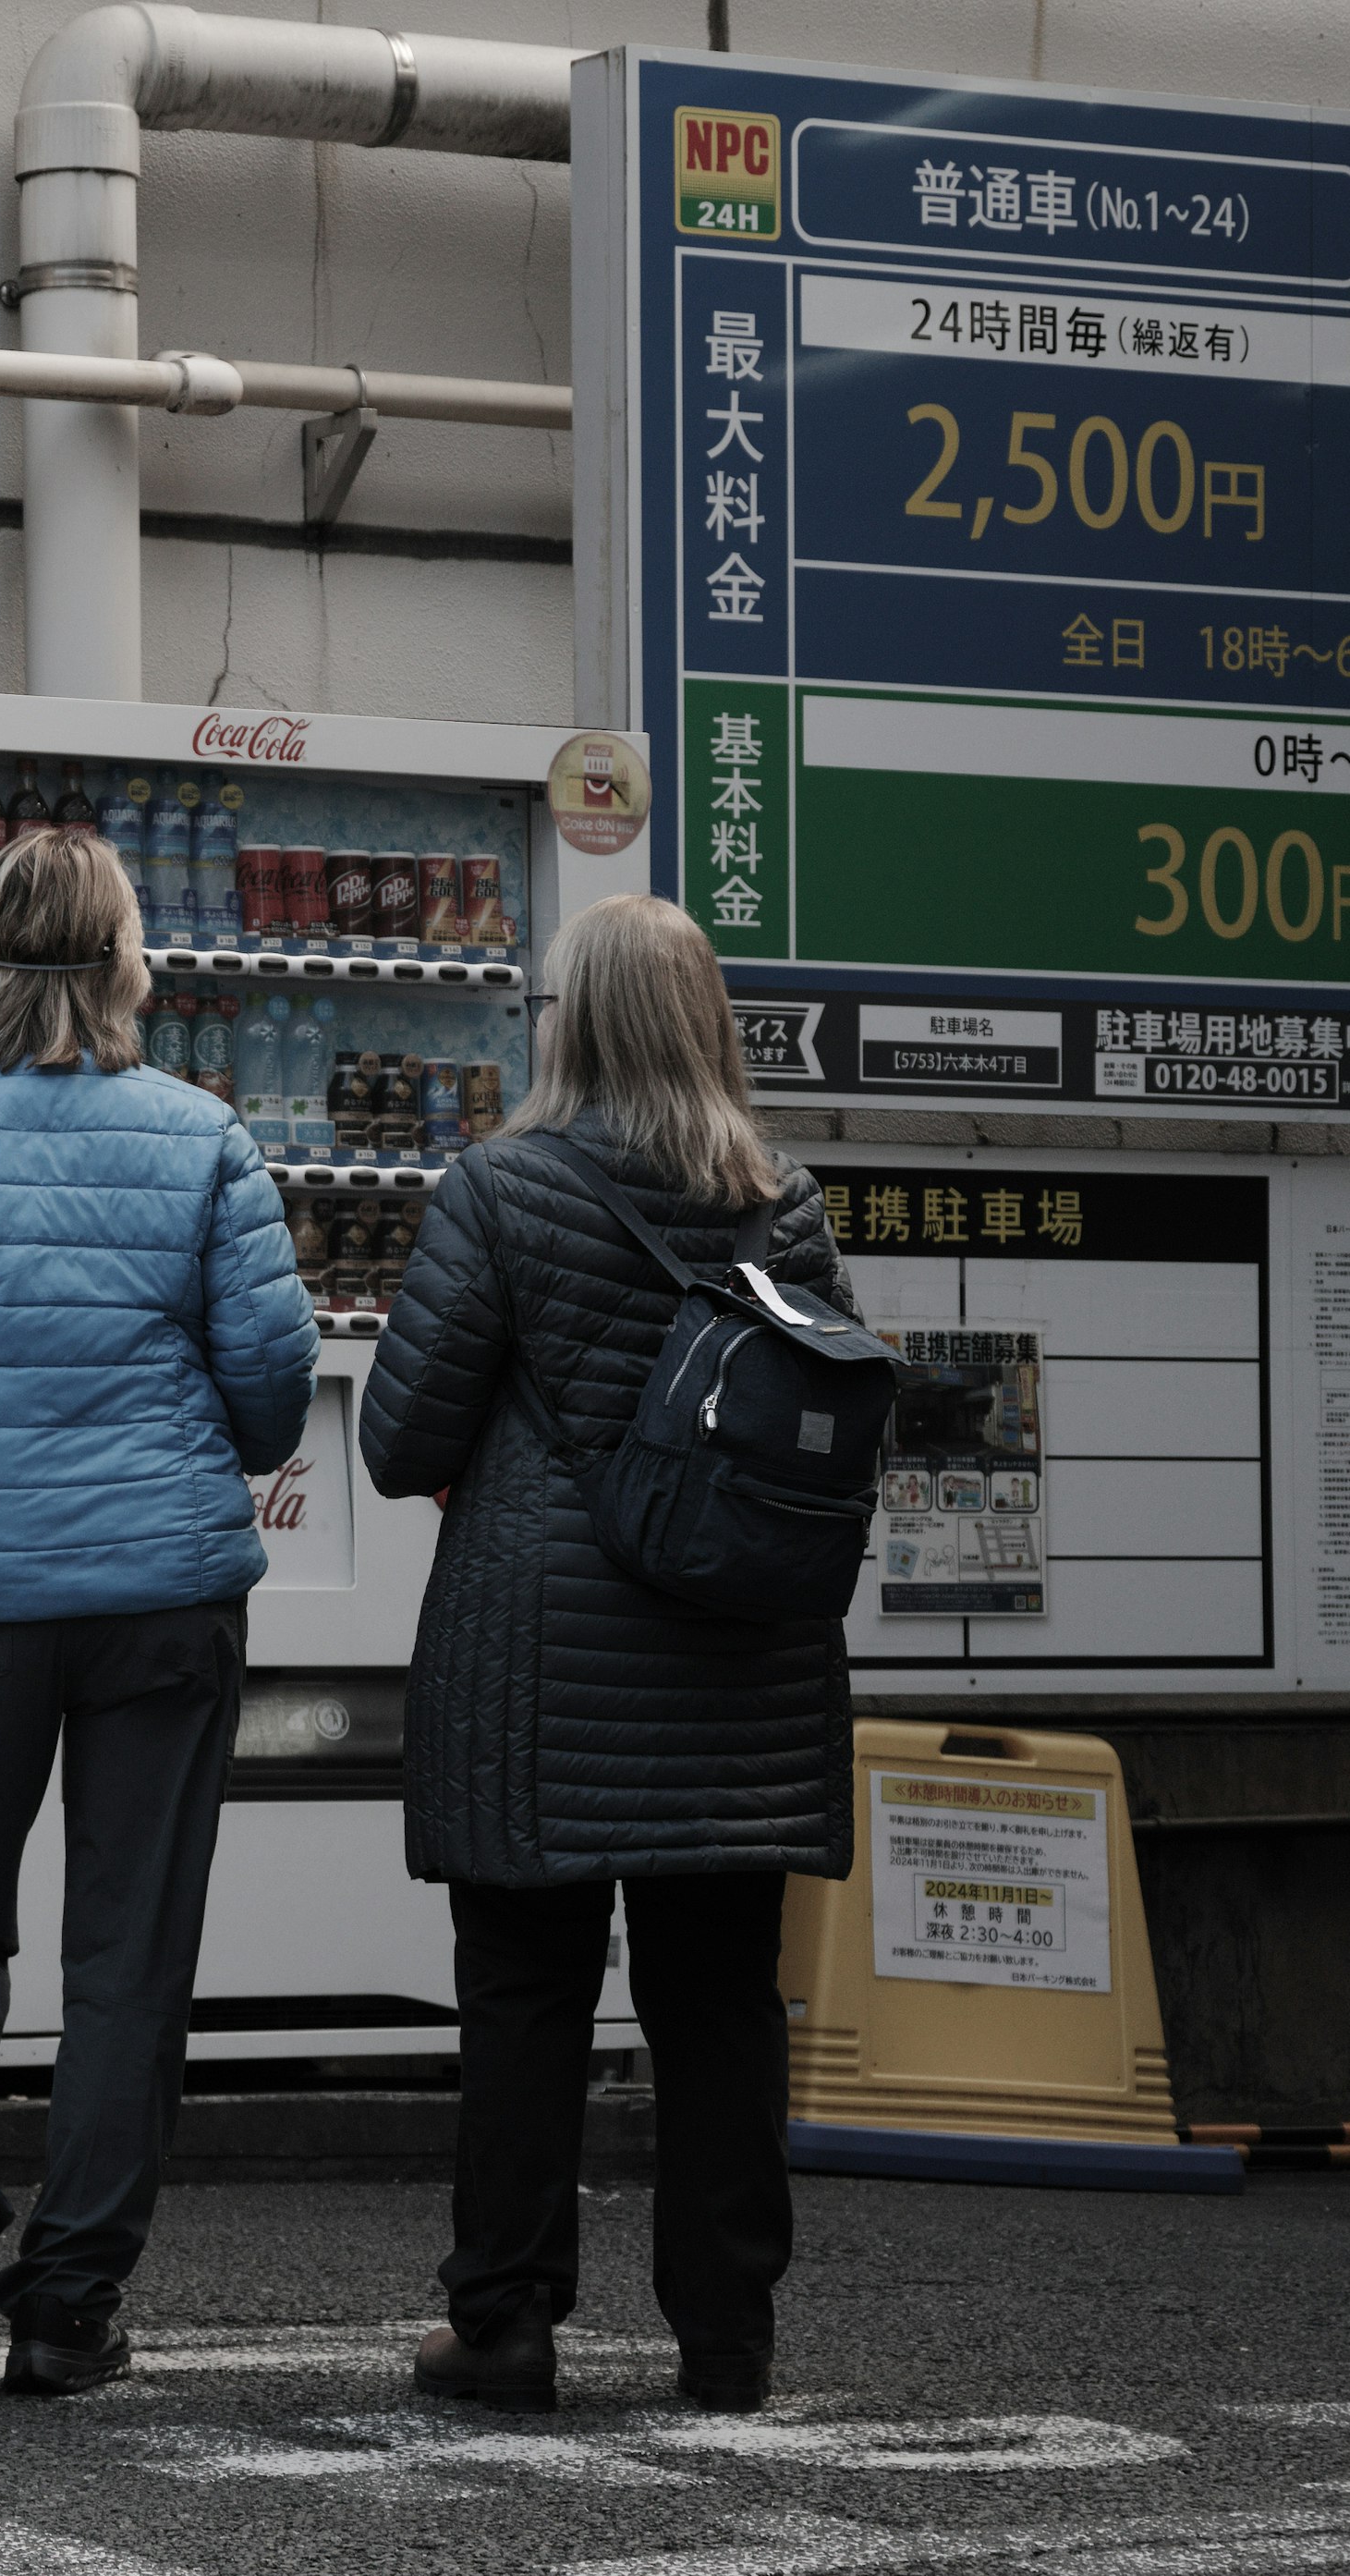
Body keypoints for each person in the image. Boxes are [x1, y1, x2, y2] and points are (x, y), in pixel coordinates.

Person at [0, 826, 318, 2397]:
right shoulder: (206, 1140)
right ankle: (70, 2302)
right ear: (123, 965)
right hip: (164, 1594)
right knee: (128, 1949)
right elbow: (272, 1394)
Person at [359, 893, 856, 2420]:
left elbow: (398, 1440)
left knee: (526, 1995)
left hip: (542, 1665)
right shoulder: (787, 1206)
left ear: (571, 1027)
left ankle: (502, 2322)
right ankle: (728, 2341)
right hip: (737, 1660)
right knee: (718, 2003)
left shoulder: (501, 1192)